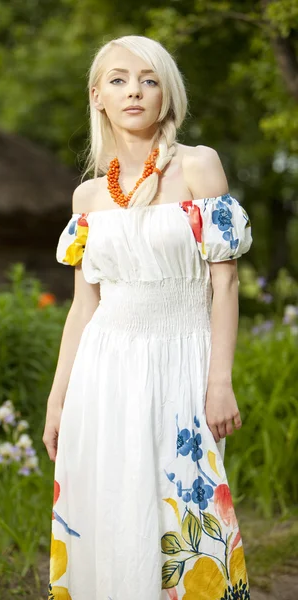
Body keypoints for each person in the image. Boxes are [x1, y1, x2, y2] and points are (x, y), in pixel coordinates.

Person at [43, 34, 252, 600]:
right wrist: (58, 398)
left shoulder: (199, 168)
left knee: (186, 512)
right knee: (109, 510)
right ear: (98, 97)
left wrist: (220, 380)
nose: (133, 90)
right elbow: (84, 305)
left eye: (148, 79)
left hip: (182, 360)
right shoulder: (87, 198)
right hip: (102, 372)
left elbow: (225, 283)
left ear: (167, 94)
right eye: (118, 79)